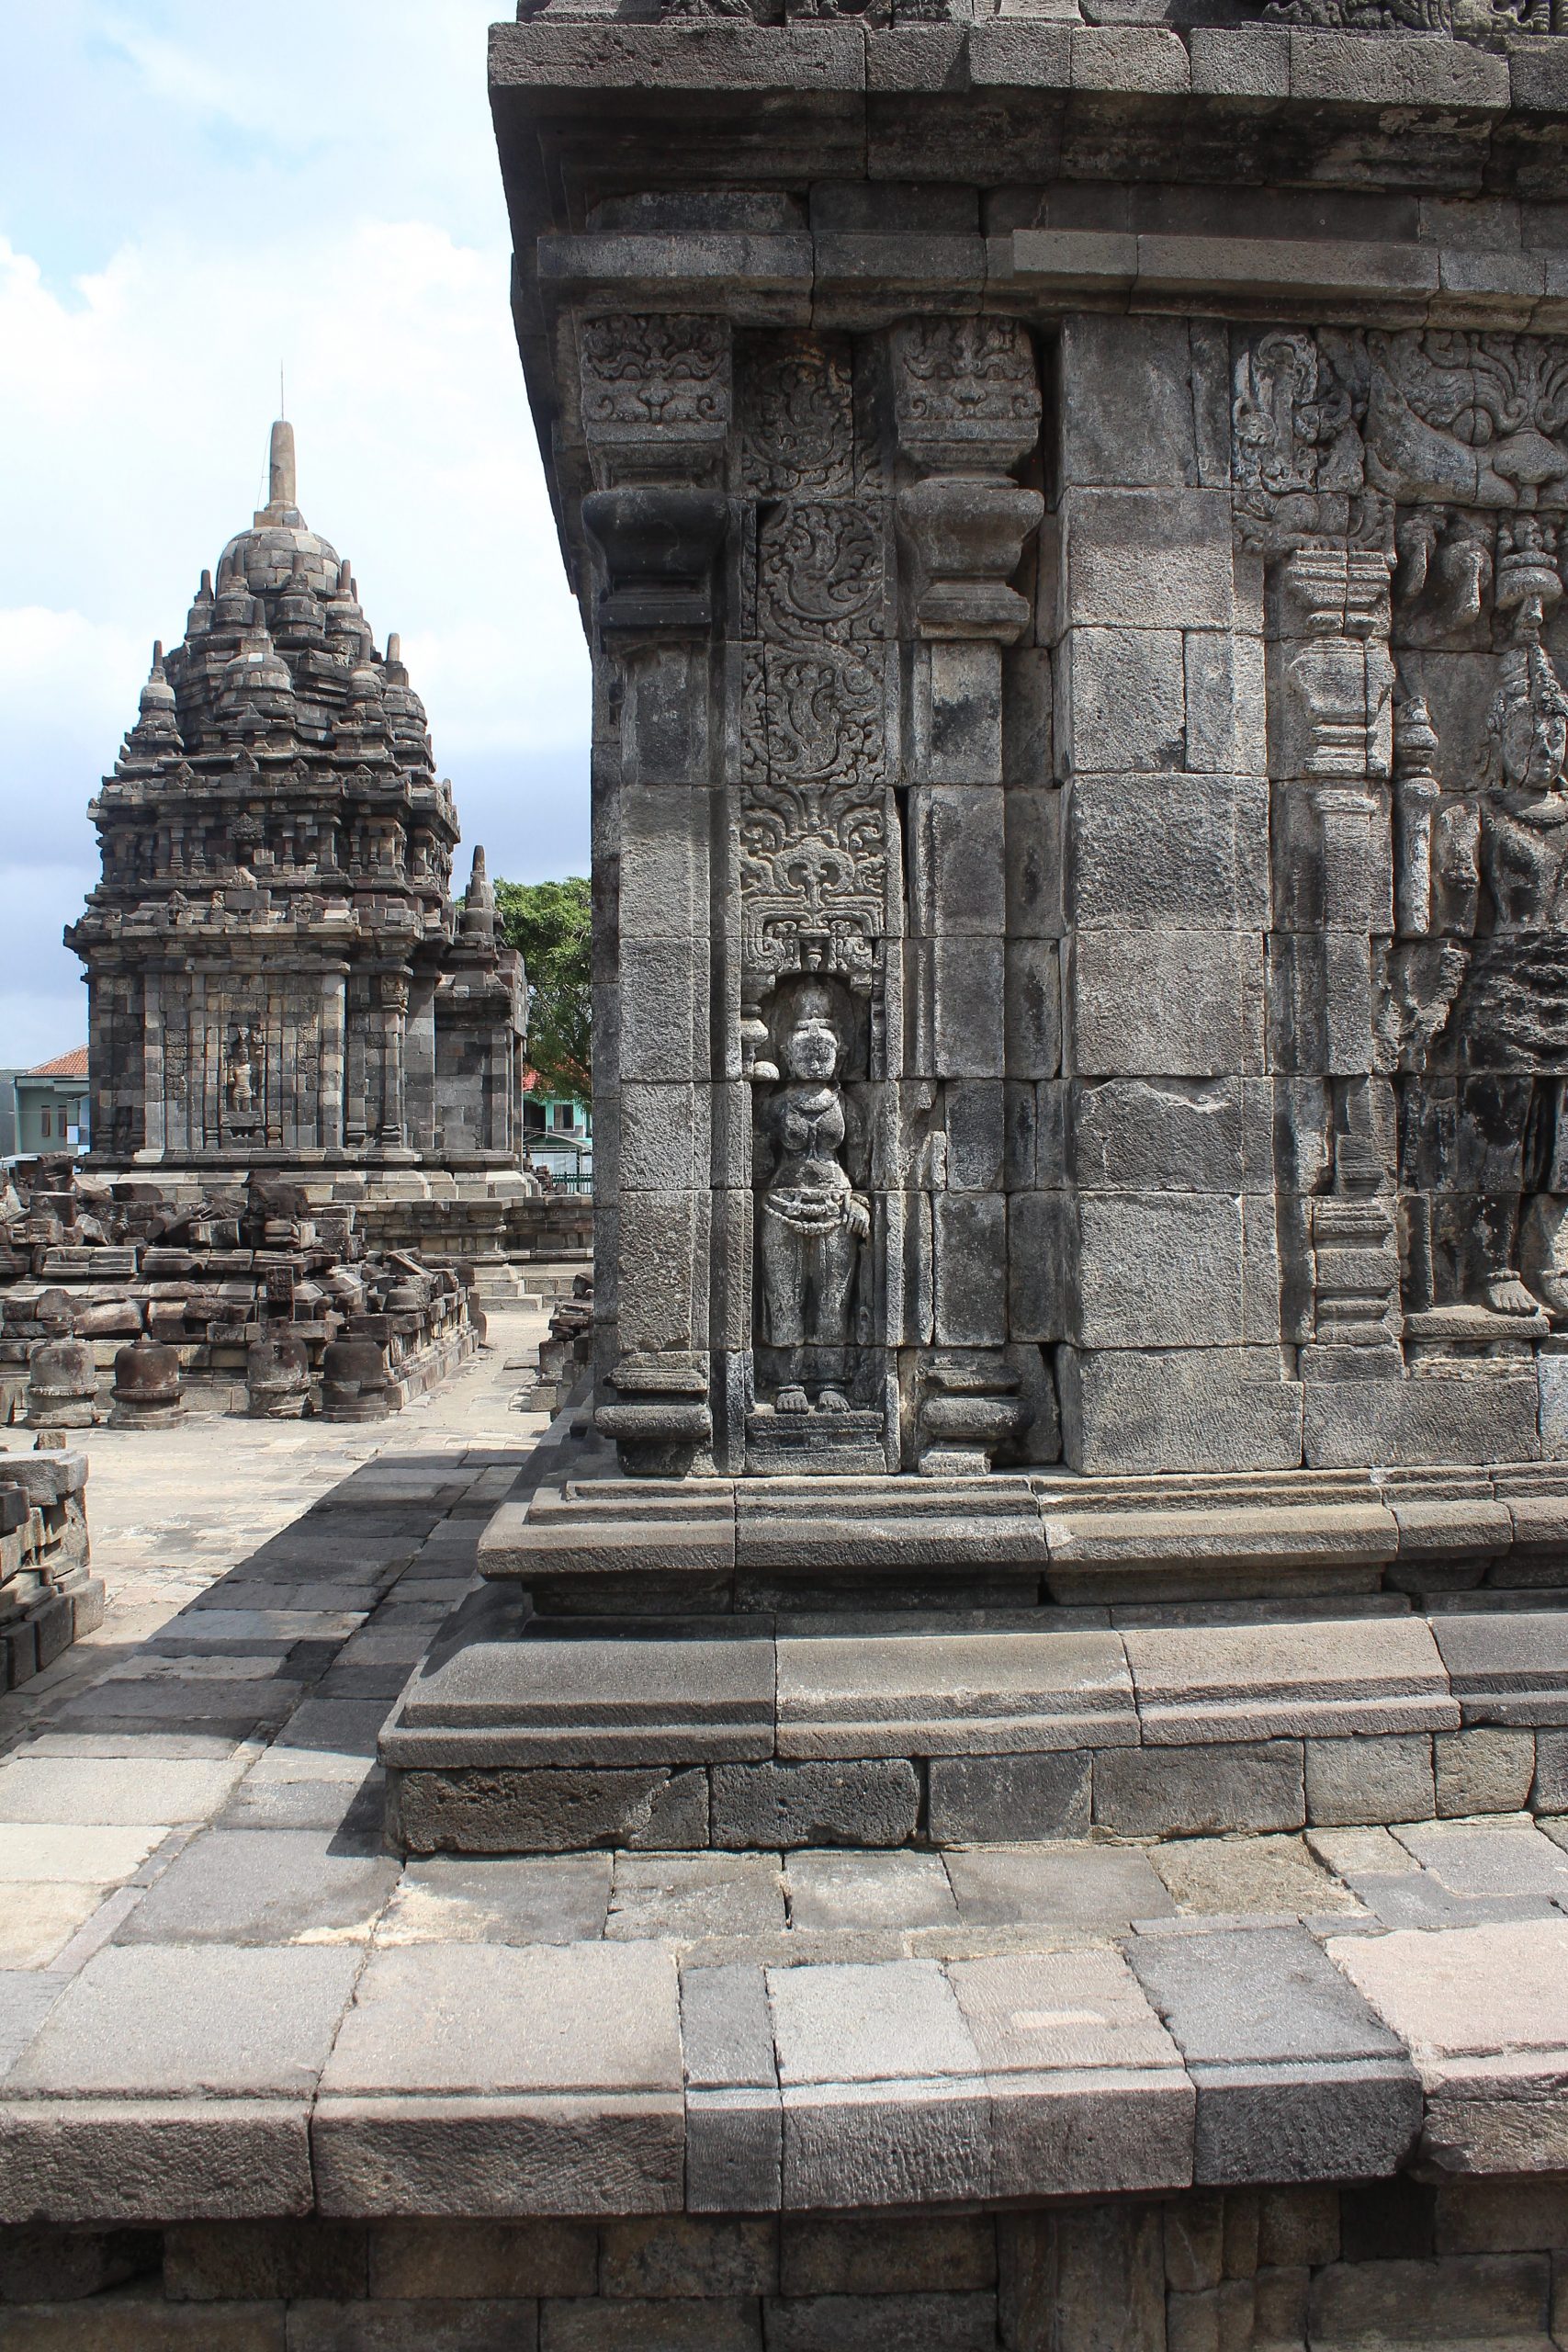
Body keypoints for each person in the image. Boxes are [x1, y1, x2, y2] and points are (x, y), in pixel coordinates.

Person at [755, 982, 869, 1411]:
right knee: (783, 1295)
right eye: (805, 1033)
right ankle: (787, 1380)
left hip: (836, 1207)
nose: (816, 1045)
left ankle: (830, 1380)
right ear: (785, 1050)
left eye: (826, 1035)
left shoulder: (849, 1107)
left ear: (841, 1050)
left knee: (833, 1298)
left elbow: (863, 1169)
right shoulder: (775, 1106)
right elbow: (758, 1163)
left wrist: (860, 1203)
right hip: (781, 1206)